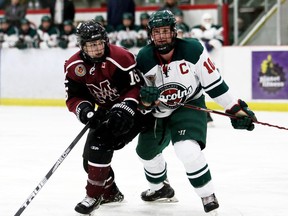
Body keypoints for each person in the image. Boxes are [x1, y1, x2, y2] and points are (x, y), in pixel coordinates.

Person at [135, 10, 257, 214]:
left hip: (189, 105)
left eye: (165, 31)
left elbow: (215, 86)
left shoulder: (193, 50)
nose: (161, 36)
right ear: (151, 35)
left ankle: (207, 194)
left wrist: (235, 109)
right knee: (145, 153)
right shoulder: (144, 58)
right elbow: (143, 99)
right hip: (159, 112)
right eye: (157, 32)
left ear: (174, 32)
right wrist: (146, 102)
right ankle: (160, 189)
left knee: (187, 150)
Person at [64, 20, 154, 215]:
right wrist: (87, 111)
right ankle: (110, 193)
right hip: (107, 110)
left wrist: (125, 107)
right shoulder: (74, 66)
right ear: (82, 46)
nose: (97, 48)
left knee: (101, 143)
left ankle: (93, 196)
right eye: (91, 45)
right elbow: (74, 97)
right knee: (88, 160)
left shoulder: (120, 57)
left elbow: (135, 87)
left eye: (99, 43)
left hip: (135, 111)